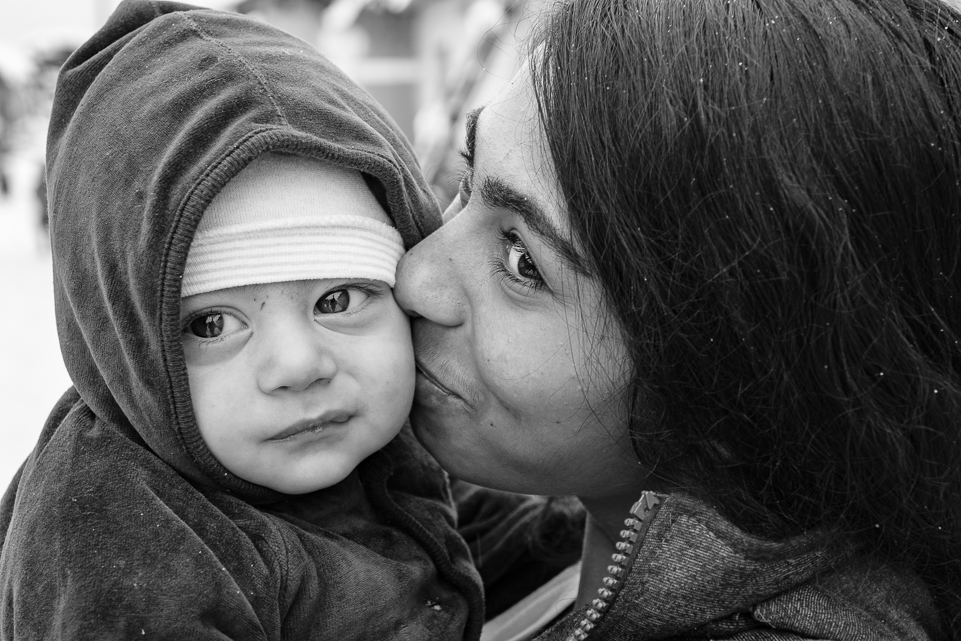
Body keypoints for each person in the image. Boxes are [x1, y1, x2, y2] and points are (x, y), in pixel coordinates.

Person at [394, 0, 961, 638]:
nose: (414, 276)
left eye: (524, 263)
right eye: (466, 181)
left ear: (744, 369)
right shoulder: (512, 544)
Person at [0, 1, 485, 638]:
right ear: (124, 348)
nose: (299, 366)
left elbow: (464, 532)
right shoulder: (118, 531)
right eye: (211, 325)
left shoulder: (371, 433)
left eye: (338, 299)